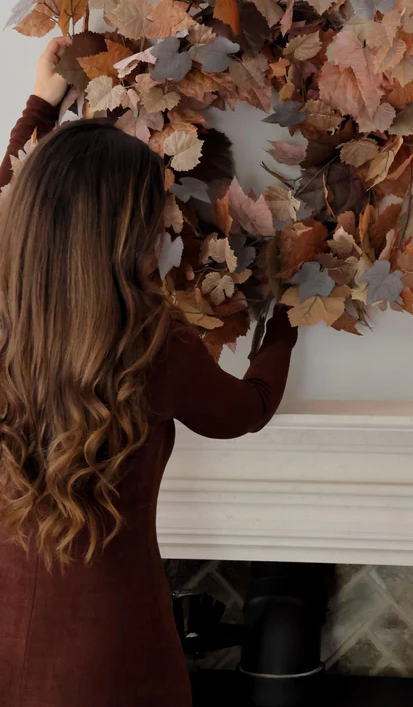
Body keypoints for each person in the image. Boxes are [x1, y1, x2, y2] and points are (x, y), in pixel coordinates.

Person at [0, 38, 297, 707]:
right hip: (107, 653)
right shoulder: (148, 344)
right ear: (124, 229)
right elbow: (247, 409)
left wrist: (41, 104)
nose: (166, 221)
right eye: (156, 208)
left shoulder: (7, 326)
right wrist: (284, 317)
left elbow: (15, 194)